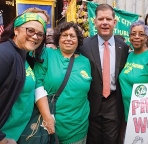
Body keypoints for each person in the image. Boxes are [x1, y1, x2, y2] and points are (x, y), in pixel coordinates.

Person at [78, 4, 129, 144]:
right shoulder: (84, 46)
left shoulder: (123, 47)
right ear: (95, 22)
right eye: (101, 19)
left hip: (113, 103)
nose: (105, 22)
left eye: (108, 18)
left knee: (112, 140)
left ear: (114, 22)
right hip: (91, 103)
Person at [34, 22, 92, 144]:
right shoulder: (47, 54)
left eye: (73, 36)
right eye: (64, 35)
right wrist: (47, 118)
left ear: (78, 40)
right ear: (58, 38)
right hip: (48, 127)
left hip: (78, 129)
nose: (68, 39)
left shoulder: (85, 62)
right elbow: (37, 84)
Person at [0, 13, 46, 144]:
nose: (35, 36)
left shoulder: (23, 56)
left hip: (16, 134)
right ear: (16, 29)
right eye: (30, 30)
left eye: (40, 34)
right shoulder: (5, 53)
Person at [119, 20, 148, 123]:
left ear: (146, 38)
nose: (137, 37)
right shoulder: (129, 55)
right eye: (133, 34)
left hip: (145, 116)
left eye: (141, 34)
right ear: (129, 37)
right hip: (128, 114)